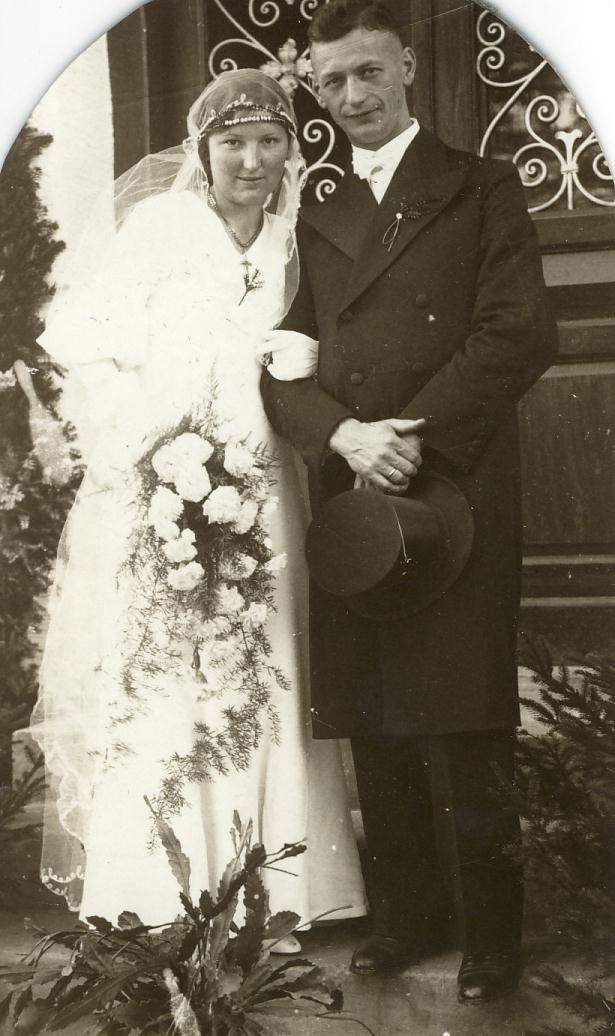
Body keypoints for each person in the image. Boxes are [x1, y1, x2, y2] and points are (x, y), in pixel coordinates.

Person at [25, 69, 366, 947]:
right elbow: (83, 345)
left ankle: (280, 890)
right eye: (231, 143)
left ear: (291, 150)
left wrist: (308, 361)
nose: (251, 160)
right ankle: (163, 889)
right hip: (164, 481)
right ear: (202, 151)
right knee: (169, 671)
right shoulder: (160, 227)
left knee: (269, 666)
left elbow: (338, 347)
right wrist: (142, 452)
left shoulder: (297, 240)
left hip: (267, 484)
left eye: (268, 142)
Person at [261, 0, 558, 999]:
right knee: (375, 706)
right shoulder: (316, 207)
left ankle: (493, 934)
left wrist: (411, 433)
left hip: (454, 484)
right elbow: (279, 363)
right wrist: (343, 436)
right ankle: (407, 915)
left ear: (406, 70)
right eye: (332, 81)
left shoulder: (480, 186)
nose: (352, 96)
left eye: (368, 73)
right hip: (356, 487)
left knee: (466, 713)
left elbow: (519, 333)